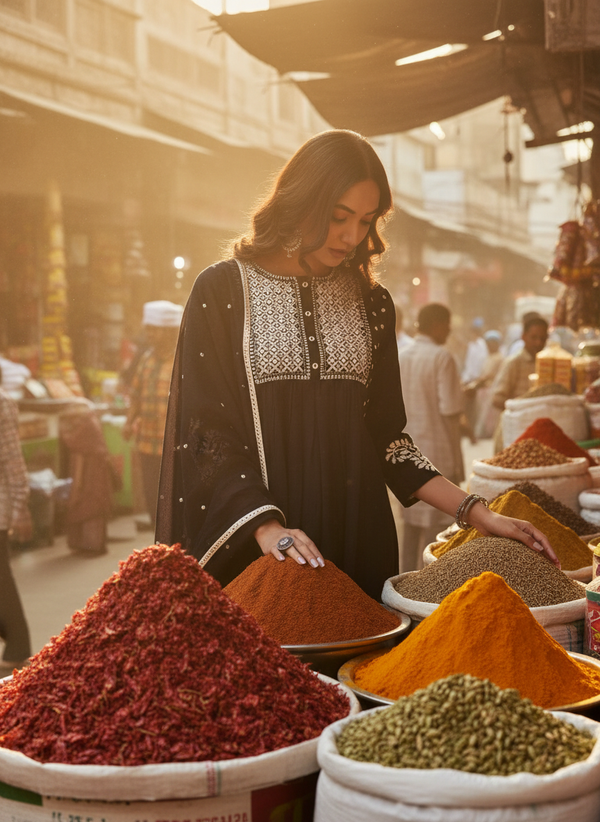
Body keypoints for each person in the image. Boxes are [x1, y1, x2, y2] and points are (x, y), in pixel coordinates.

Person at [156, 129, 557, 599]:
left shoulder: (372, 303)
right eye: (338, 216)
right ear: (299, 200)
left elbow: (387, 440)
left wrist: (476, 511)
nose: (351, 236)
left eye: (366, 221)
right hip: (261, 551)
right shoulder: (222, 291)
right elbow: (206, 431)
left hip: (357, 542)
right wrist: (265, 527)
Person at [397, 304, 465, 571]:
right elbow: (450, 412)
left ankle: (402, 583)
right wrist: (457, 462)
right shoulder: (441, 357)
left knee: (411, 524)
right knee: (435, 535)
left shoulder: (402, 355)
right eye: (447, 324)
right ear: (437, 324)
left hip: (403, 457)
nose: (449, 330)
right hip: (437, 454)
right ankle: (427, 585)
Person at [123, 301, 183, 526]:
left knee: (173, 501)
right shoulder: (146, 359)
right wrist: (129, 422)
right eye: (148, 329)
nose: (149, 334)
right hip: (147, 443)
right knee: (151, 497)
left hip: (173, 444)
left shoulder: (181, 359)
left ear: (167, 332)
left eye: (154, 330)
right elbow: (136, 394)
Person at [0, 367, 32, 672]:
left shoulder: (2, 403)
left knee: (1, 577)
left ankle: (19, 643)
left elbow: (12, 460)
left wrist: (20, 506)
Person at [492, 314, 548, 411]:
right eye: (534, 338)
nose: (538, 343)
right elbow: (497, 399)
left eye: (542, 339)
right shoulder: (514, 363)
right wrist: (520, 407)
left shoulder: (547, 363)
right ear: (524, 337)